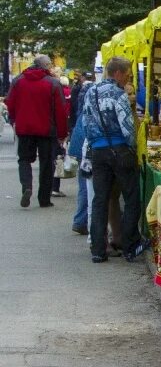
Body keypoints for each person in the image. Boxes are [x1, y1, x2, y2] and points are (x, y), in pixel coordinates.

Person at [80, 55, 148, 263]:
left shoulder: (90, 92)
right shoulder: (118, 94)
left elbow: (85, 122)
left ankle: (98, 250)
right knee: (131, 197)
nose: (128, 79)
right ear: (117, 73)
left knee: (100, 200)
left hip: (98, 152)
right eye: (127, 75)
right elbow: (126, 126)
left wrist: (96, 143)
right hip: (119, 149)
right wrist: (131, 147)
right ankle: (130, 246)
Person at [6, 54, 68, 208]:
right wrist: (62, 133)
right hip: (47, 130)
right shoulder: (53, 83)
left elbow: (10, 102)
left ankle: (27, 186)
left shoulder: (18, 81)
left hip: (24, 128)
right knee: (47, 163)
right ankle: (44, 198)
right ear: (46, 66)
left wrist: (14, 120)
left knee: (24, 159)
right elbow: (60, 110)